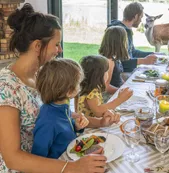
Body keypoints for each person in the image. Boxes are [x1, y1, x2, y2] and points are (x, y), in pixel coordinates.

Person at [0, 4, 109, 172]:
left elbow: (42, 113)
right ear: (37, 46)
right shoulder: (6, 87)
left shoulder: (41, 73)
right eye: (56, 44)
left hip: (54, 158)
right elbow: (13, 159)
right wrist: (72, 168)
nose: (61, 49)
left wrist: (71, 119)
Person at [32, 59, 89, 159]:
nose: (80, 86)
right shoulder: (48, 122)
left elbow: (63, 131)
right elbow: (38, 157)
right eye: (78, 83)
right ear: (69, 92)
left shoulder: (61, 107)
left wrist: (76, 127)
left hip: (72, 153)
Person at [107, 2, 158, 72]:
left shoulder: (127, 30)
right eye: (141, 17)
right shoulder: (119, 33)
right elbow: (121, 62)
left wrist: (154, 54)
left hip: (129, 71)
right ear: (136, 16)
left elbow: (133, 52)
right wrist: (144, 61)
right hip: (122, 74)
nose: (141, 20)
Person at [99, 26, 129, 95]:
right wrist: (121, 92)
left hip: (118, 90)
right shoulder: (109, 61)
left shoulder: (114, 56)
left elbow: (118, 78)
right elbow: (106, 87)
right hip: (111, 96)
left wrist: (127, 86)